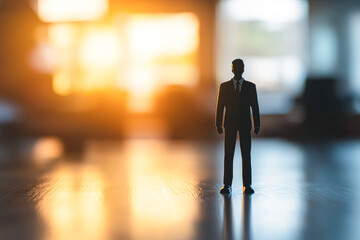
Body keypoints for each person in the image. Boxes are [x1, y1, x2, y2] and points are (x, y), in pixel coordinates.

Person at [216, 59, 260, 194]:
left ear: (243, 69)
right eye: (235, 67)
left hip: (245, 124)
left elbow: (255, 106)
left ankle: (247, 184)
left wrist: (256, 123)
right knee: (228, 154)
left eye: (240, 67)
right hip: (230, 124)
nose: (237, 69)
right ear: (232, 69)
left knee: (246, 154)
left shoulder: (250, 87)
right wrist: (218, 123)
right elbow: (220, 106)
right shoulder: (224, 87)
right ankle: (227, 184)